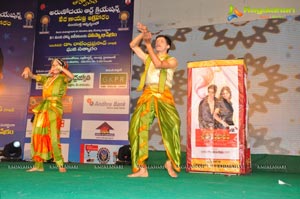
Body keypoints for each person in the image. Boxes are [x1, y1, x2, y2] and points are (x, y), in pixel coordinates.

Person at [127, 22, 181, 178]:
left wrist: (148, 44)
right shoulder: (148, 58)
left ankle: (169, 162)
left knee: (173, 125)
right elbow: (132, 45)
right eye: (156, 41)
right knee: (138, 127)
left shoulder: (172, 60)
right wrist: (143, 33)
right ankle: (141, 167)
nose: (158, 43)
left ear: (168, 47)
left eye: (162, 42)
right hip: (148, 94)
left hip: (164, 95)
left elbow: (158, 64)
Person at [21, 58, 74, 172]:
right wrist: (26, 69)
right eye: (52, 65)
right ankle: (38, 165)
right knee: (37, 133)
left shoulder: (62, 78)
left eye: (56, 65)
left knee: (53, 136)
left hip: (55, 108)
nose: (54, 67)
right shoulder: (46, 79)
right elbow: (32, 76)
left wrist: (61, 69)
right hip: (43, 107)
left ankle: (60, 164)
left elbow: (71, 77)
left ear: (61, 68)